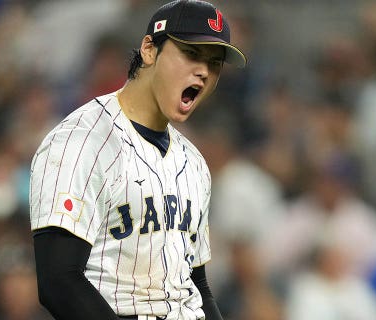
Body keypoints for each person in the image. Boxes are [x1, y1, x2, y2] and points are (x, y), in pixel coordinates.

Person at [29, 1, 246, 319]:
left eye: (214, 63)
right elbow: (59, 281)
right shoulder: (81, 140)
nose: (203, 71)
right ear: (149, 49)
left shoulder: (195, 163)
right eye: (191, 53)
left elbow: (197, 285)